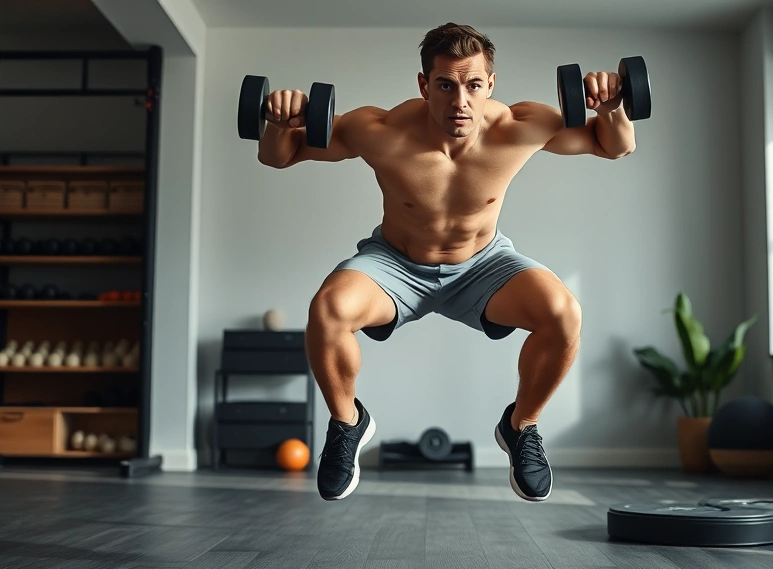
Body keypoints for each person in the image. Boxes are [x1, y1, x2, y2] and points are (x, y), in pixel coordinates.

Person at [257, 23, 636, 502]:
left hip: (483, 264)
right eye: (445, 85)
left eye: (474, 85)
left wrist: (613, 107)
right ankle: (348, 422)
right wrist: (277, 121)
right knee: (328, 310)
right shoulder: (379, 131)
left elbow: (615, 145)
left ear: (491, 85)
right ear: (423, 85)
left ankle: (522, 426)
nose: (461, 101)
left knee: (564, 313)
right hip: (395, 264)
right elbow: (280, 157)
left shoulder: (523, 127)